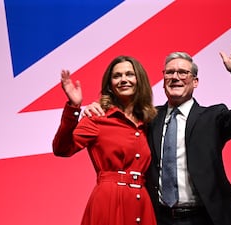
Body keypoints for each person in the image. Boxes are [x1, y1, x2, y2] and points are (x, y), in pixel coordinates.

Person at [83, 33, 231, 225]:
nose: (175, 77)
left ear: (195, 82)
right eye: (170, 72)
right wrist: (99, 108)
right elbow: (120, 123)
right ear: (163, 79)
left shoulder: (212, 117)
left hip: (206, 218)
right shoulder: (147, 119)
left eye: (183, 72)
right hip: (160, 218)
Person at [52, 55, 158, 225]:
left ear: (140, 80)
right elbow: (62, 149)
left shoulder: (149, 121)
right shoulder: (98, 117)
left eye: (129, 74)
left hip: (143, 202)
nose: (123, 79)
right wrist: (74, 108)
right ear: (109, 85)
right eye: (117, 76)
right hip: (109, 201)